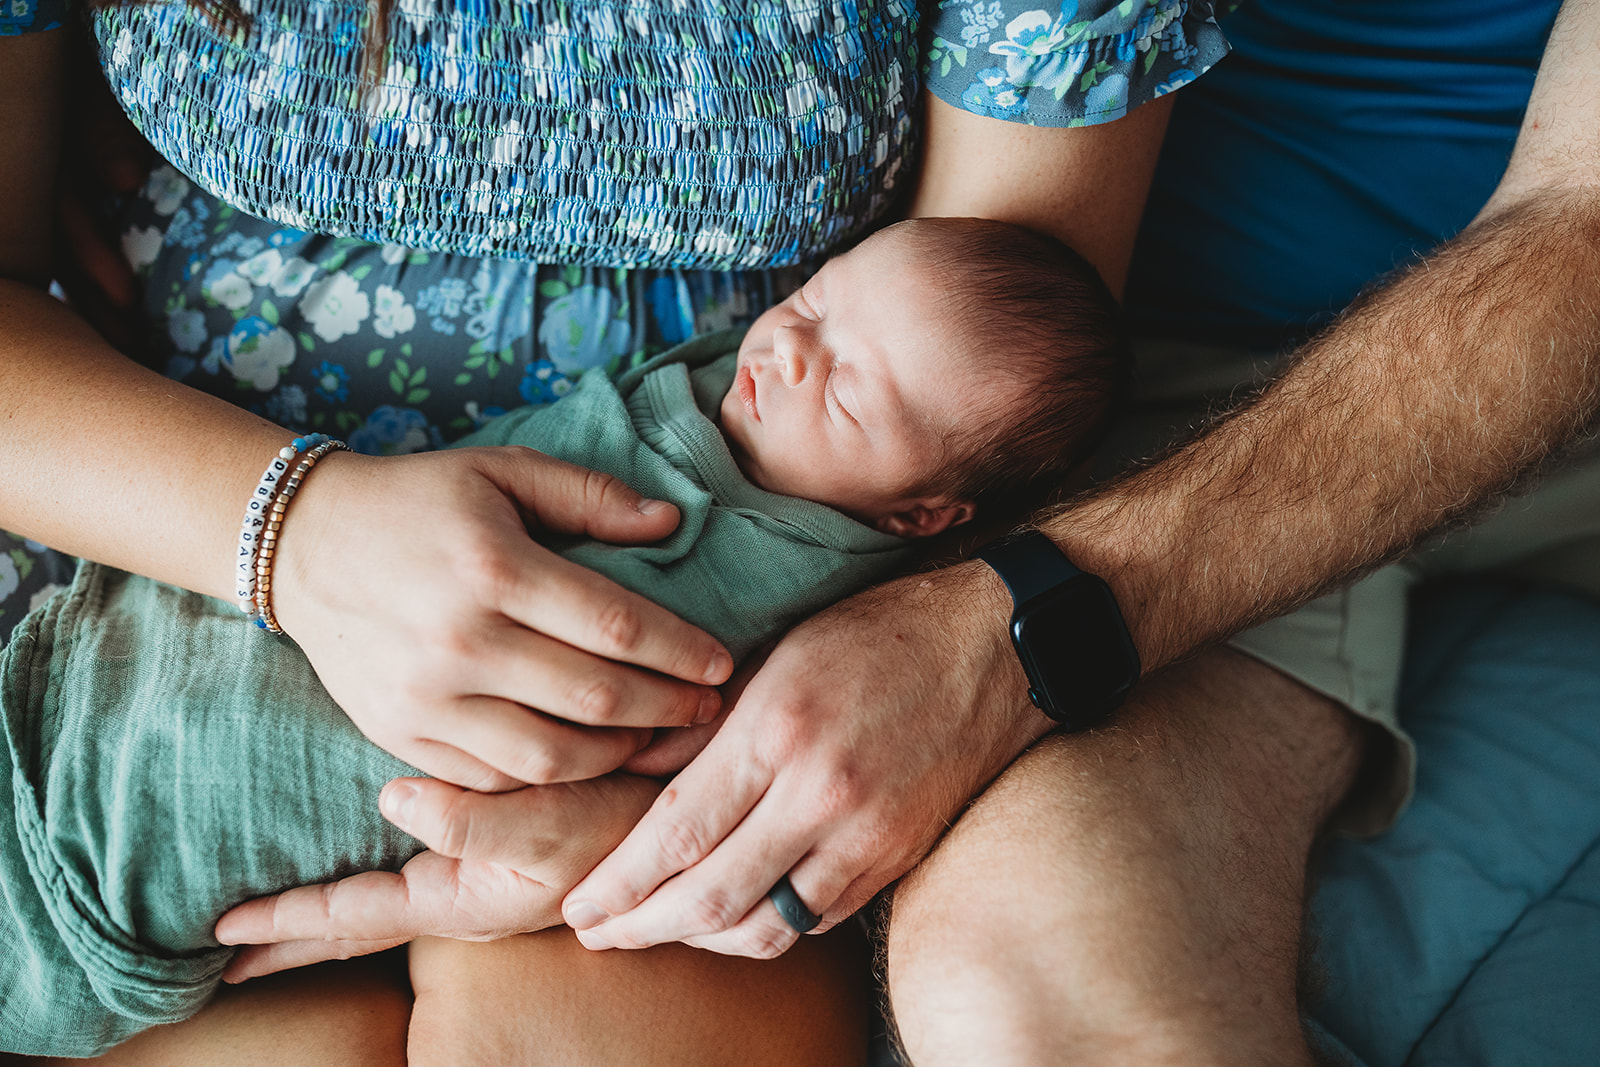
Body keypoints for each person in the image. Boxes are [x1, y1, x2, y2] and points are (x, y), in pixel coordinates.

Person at [207, 1, 1600, 1065]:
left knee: (1028, 990)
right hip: (961, 351)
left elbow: (1578, 227)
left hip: (1321, 385)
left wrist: (1005, 627)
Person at [0, 215, 1125, 1055]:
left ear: (920, 515)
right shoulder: (718, 398)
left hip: (164, 838)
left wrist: (651, 811)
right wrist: (287, 525)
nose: (783, 353)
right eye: (816, 304)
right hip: (146, 546)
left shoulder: (824, 572)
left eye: (844, 395)